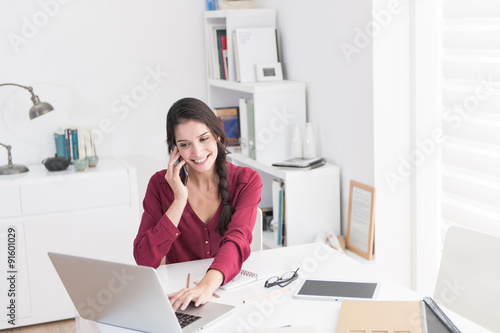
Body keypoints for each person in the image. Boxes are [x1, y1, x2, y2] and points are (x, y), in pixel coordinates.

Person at [133, 97, 262, 312]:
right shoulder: (159, 185)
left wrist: (205, 287)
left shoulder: (247, 181)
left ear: (218, 136)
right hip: (182, 298)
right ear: (175, 150)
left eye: (204, 139)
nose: (198, 152)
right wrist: (179, 200)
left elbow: (238, 238)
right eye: (185, 145)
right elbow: (145, 260)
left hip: (230, 293)